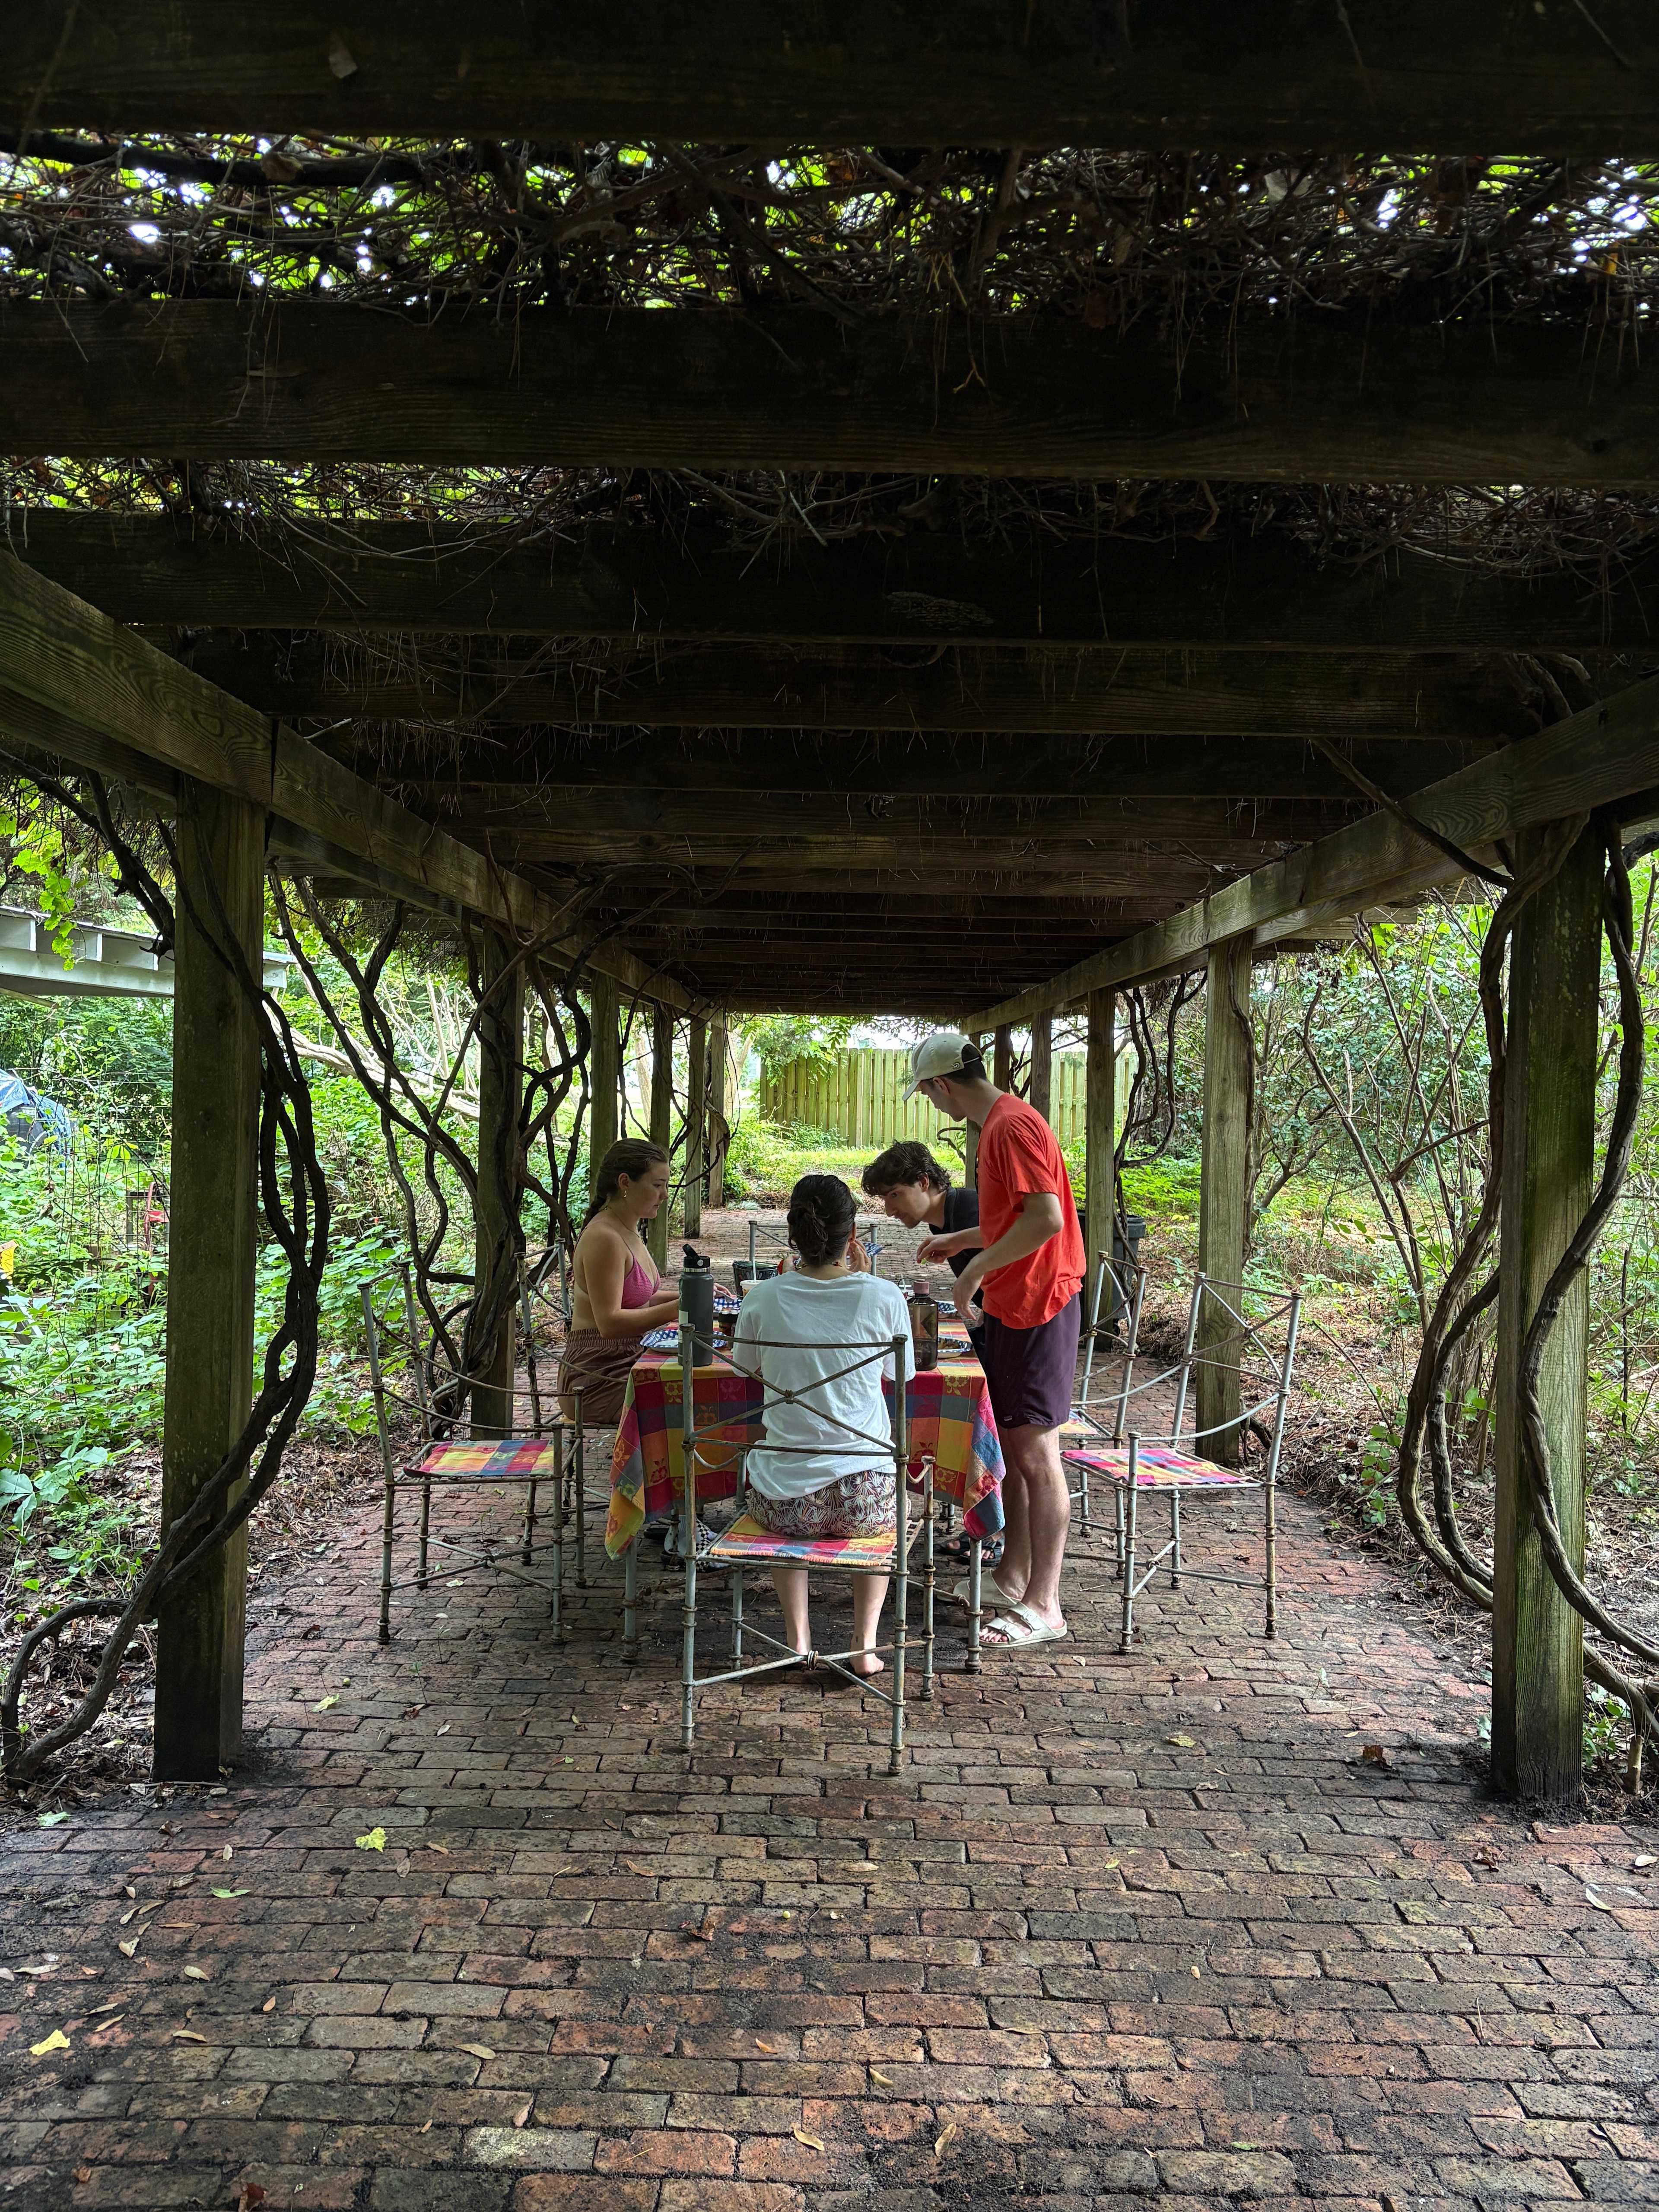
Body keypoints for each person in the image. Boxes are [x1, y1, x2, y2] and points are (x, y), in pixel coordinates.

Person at [905, 1032, 1084, 1649]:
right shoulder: (998, 1126)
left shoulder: (1009, 1126)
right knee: (1015, 1449)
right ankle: (1012, 1578)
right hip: (1015, 1304)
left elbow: (1049, 1219)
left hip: (1040, 1304)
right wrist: (965, 1242)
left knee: (1038, 1457)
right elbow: (1016, 1218)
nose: (931, 1104)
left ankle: (1046, 1604)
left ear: (941, 1085)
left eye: (927, 1093)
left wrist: (976, 1270)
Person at [730, 1174, 912, 1676]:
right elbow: (903, 1373)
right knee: (886, 1499)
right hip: (865, 1498)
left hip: (783, 1502)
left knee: (782, 1477)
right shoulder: (883, 1295)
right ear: (852, 1234)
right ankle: (865, 1643)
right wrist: (869, 1279)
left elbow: (746, 1367)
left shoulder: (762, 1297)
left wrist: (784, 1289)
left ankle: (797, 1640)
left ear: (795, 1235)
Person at [557, 1138, 681, 1423]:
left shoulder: (628, 1227)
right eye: (658, 1185)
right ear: (625, 1182)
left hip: (628, 1359)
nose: (664, 1195)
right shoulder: (605, 1238)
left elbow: (640, 1299)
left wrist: (695, 1291)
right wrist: (682, 1306)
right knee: (693, 1401)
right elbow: (610, 1323)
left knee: (701, 1381)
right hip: (596, 1378)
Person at [860, 1140, 985, 1357]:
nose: (890, 1211)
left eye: (895, 1195)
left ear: (923, 1182)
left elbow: (1014, 1250)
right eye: (885, 1199)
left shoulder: (969, 1209)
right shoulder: (941, 1221)